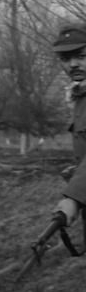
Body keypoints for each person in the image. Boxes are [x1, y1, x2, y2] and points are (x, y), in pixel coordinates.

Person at [50, 24, 86, 225]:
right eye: (65, 59)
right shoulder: (80, 96)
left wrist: (73, 197)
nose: (72, 64)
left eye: (81, 56)